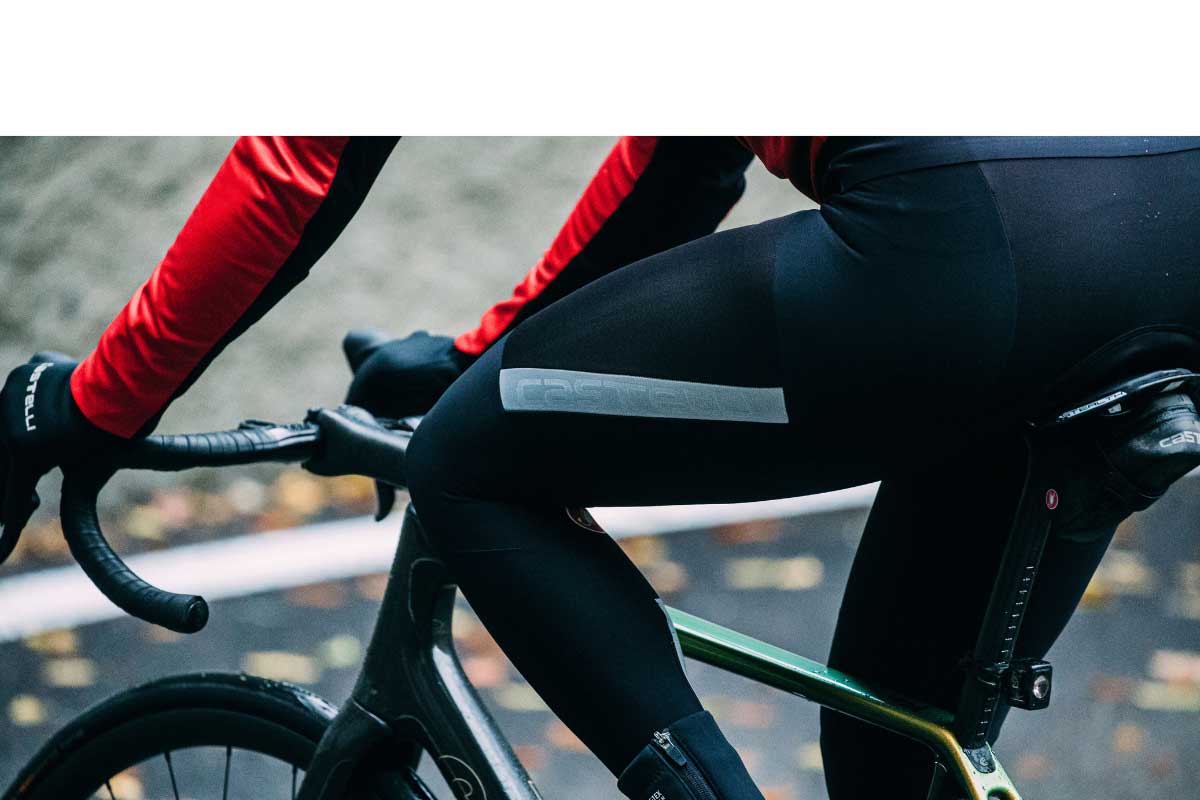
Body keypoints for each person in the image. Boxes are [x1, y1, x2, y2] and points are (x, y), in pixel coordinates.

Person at [4, 136, 1200, 799]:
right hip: (1170, 235)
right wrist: (480, 350)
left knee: (468, 458)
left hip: (962, 237)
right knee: (894, 756)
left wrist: (92, 402)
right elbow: (682, 162)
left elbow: (300, 167)